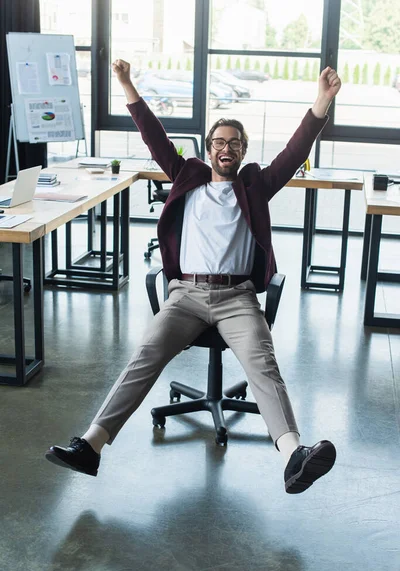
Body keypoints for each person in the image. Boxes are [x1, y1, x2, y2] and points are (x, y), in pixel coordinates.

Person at [46, 59, 341, 494]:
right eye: (219, 142)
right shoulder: (188, 176)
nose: (227, 148)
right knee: (143, 356)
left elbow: (295, 149)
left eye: (235, 144)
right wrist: (127, 84)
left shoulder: (256, 184)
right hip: (185, 294)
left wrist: (322, 101)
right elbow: (155, 138)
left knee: (265, 366)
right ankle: (91, 446)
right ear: (207, 150)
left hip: (238, 297)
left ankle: (293, 456)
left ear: (242, 152)